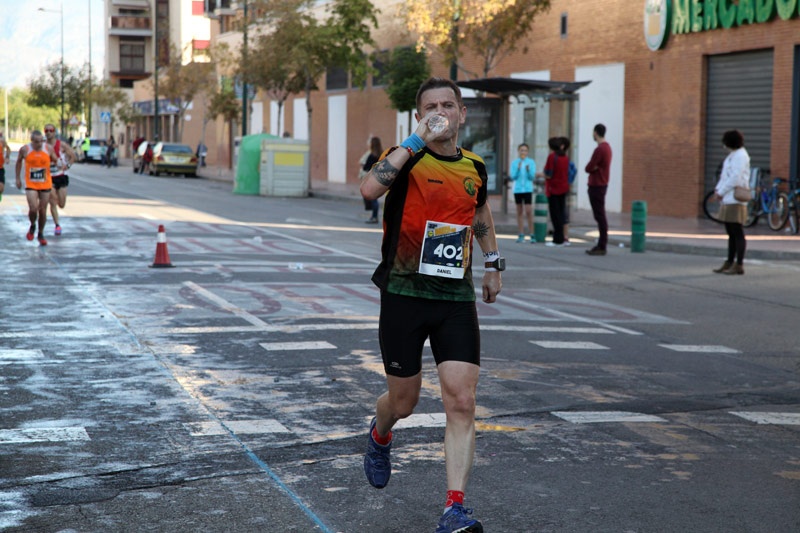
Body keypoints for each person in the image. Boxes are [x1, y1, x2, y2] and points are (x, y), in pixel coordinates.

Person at [360, 77, 503, 533]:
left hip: (454, 298)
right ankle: (381, 432)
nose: (440, 112)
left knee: (462, 400)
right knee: (404, 402)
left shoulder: (475, 166)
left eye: (448, 105)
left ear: (462, 113)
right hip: (404, 295)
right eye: (431, 107)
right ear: (419, 115)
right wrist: (414, 140)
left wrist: (493, 263)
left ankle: (454, 508)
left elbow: (479, 211)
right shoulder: (406, 158)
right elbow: (369, 190)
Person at [712, 129, 750, 275]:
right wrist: (718, 190)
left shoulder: (741, 156)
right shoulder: (732, 155)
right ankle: (729, 261)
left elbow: (735, 177)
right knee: (730, 232)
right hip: (728, 198)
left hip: (735, 199)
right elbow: (724, 176)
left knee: (737, 231)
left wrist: (721, 192)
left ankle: (739, 264)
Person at [15, 130, 59, 246]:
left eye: (41, 141)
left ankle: (40, 233)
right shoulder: (25, 149)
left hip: (45, 184)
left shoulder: (48, 148)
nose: (39, 144)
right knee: (33, 208)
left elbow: (55, 159)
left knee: (43, 210)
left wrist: (59, 163)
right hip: (31, 184)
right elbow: (18, 162)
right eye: (36, 142)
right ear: (31, 141)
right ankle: (33, 224)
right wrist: (18, 178)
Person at [44, 123, 76, 236]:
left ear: (54, 132)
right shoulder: (43, 146)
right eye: (46, 130)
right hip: (48, 177)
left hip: (61, 176)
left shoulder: (61, 145)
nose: (48, 132)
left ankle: (57, 204)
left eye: (51, 130)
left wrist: (67, 166)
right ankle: (57, 225)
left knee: (61, 204)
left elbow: (73, 156)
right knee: (52, 201)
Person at [585, 123, 612, 256]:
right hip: (602, 184)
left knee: (600, 215)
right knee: (600, 215)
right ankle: (602, 244)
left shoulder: (600, 149)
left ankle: (602, 245)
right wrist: (594, 168)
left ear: (595, 133)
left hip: (597, 185)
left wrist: (594, 168)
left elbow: (588, 167)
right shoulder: (607, 148)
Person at [541, 136, 570, 246]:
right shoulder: (565, 158)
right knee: (561, 213)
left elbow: (548, 173)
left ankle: (557, 239)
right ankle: (563, 237)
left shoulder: (552, 157)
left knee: (555, 214)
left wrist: (541, 174)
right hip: (563, 187)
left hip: (553, 188)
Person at [508, 143, 536, 242]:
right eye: (521, 150)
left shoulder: (531, 162)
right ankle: (521, 234)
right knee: (519, 211)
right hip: (518, 190)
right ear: (519, 151)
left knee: (528, 211)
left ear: (527, 152)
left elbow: (532, 177)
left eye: (525, 150)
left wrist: (528, 170)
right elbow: (513, 177)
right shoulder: (515, 163)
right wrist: (518, 168)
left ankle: (532, 233)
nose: (523, 152)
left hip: (527, 189)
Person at [360, 136, 383, 223]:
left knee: (372, 198)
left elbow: (366, 167)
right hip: (379, 178)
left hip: (371, 179)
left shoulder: (371, 155)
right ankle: (374, 216)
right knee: (375, 198)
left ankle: (374, 217)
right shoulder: (382, 154)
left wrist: (363, 166)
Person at [0, 131, 10, 203]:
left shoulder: (2, 141)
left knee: (1, 188)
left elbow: (8, 149)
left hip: (0, 168)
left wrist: (7, 157)